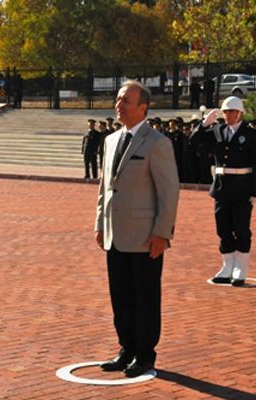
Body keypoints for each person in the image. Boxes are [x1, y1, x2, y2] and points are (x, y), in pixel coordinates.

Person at [95, 80, 180, 378]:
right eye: (118, 99)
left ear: (143, 107)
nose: (119, 105)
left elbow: (168, 192)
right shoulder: (109, 141)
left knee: (145, 297)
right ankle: (126, 348)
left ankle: (145, 354)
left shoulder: (158, 143)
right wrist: (99, 224)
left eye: (126, 101)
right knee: (120, 296)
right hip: (114, 235)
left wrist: (162, 233)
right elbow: (105, 189)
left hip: (146, 237)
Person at [190, 96, 256, 286]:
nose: (227, 115)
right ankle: (227, 267)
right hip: (221, 188)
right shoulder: (217, 130)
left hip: (242, 188)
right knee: (223, 229)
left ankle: (240, 268)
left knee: (240, 228)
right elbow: (193, 141)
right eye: (225, 111)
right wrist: (203, 125)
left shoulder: (252, 135)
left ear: (240, 113)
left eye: (231, 111)